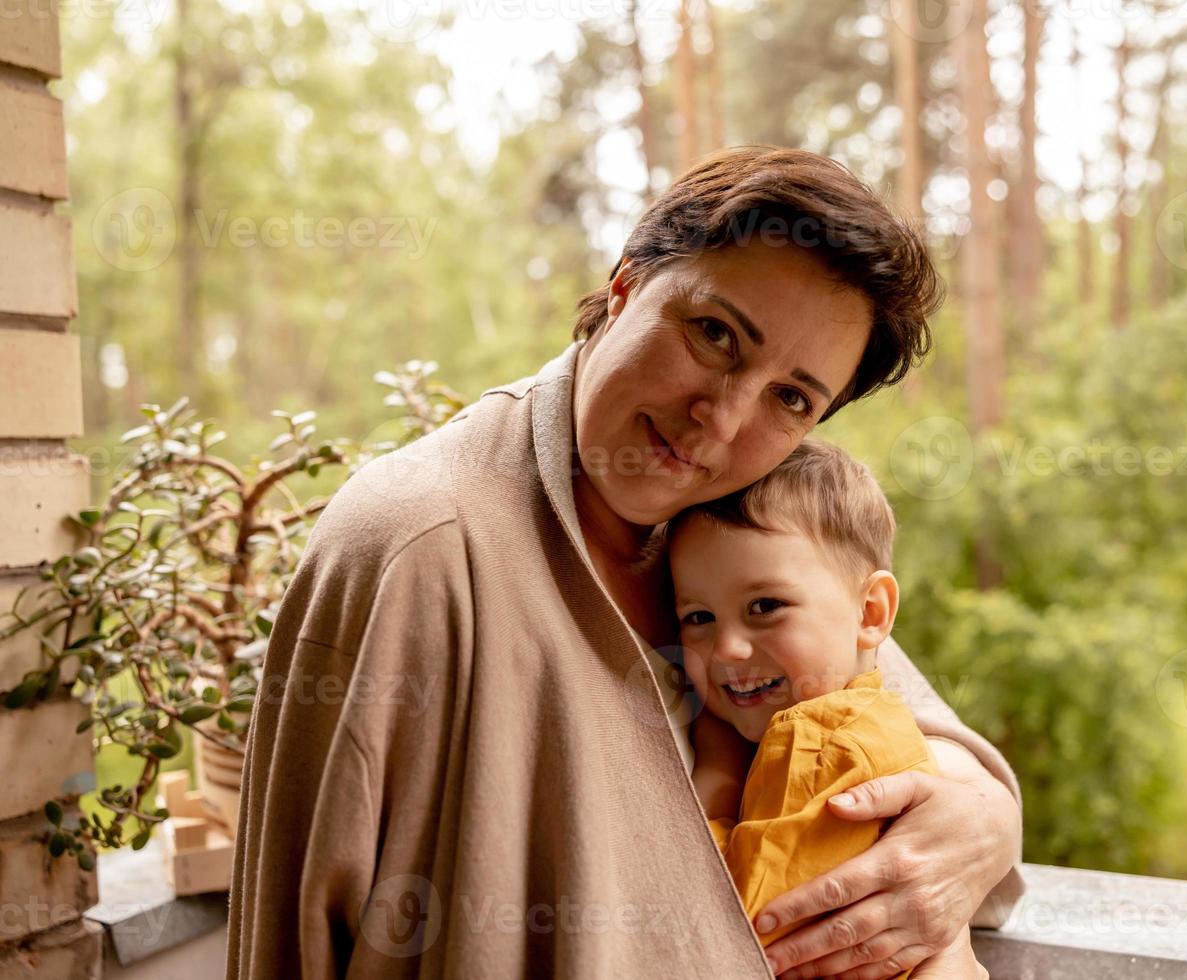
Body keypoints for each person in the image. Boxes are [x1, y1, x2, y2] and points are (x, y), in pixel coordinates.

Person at [226, 145, 1023, 979]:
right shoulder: (417, 541)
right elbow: (291, 935)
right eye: (715, 335)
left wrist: (979, 817)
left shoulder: (740, 532)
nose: (719, 419)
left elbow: (902, 712)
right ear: (625, 285)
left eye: (791, 398)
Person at [671, 438, 989, 979]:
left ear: (870, 611)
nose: (727, 649)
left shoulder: (819, 740)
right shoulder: (871, 724)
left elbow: (751, 928)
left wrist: (711, 781)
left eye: (765, 607)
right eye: (699, 617)